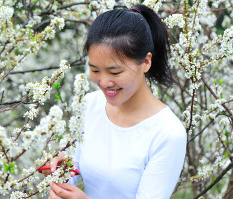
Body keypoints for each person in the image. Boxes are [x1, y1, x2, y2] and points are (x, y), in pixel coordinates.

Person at [44, 4, 187, 199]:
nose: (103, 82)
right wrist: (61, 174)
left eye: (115, 72)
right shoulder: (88, 105)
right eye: (94, 70)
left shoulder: (167, 133)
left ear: (146, 62)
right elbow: (72, 175)